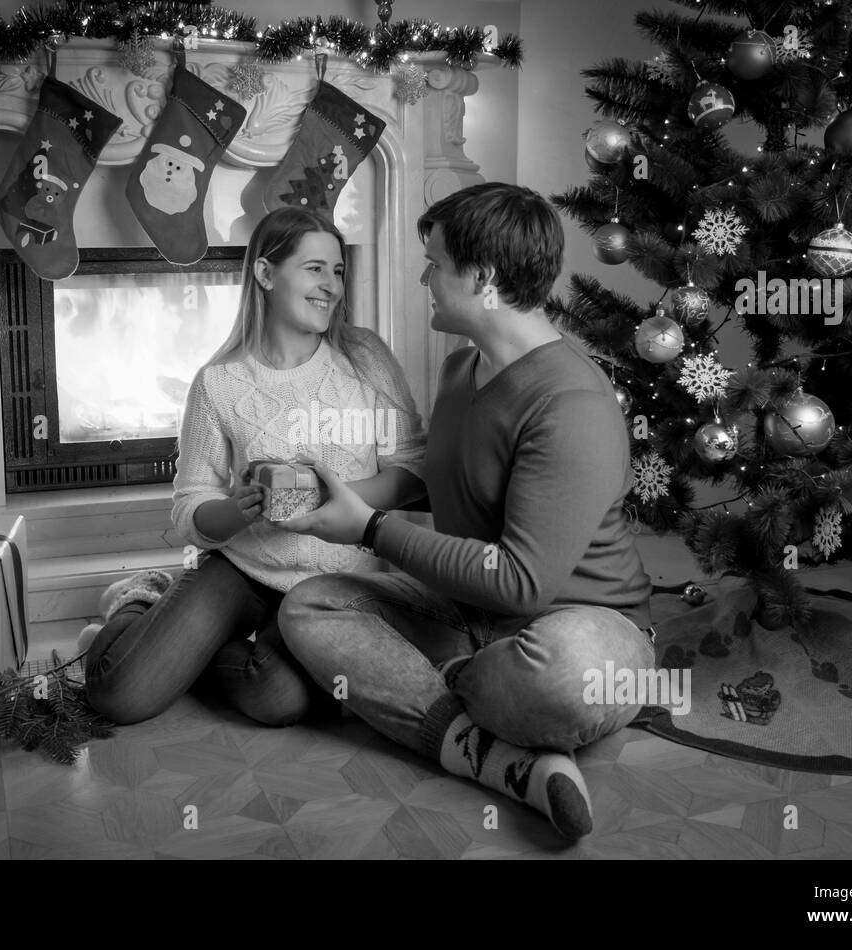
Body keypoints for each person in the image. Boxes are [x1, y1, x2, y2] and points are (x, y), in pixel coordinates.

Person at [275, 182, 655, 840]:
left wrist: (370, 530)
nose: (424, 277)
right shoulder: (461, 369)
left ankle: (439, 691)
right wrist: (339, 494)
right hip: (471, 615)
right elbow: (435, 471)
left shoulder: (572, 405)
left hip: (582, 630)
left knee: (567, 676)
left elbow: (521, 581)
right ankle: (501, 758)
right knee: (309, 605)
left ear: (481, 279)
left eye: (435, 265)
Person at [82, 206, 426, 728]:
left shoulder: (365, 359)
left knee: (277, 698)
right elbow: (189, 508)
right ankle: (139, 600)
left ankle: (184, 651)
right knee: (119, 694)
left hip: (338, 578)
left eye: (337, 271)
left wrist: (331, 497)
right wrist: (237, 512)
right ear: (265, 274)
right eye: (314, 269)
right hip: (243, 568)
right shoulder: (217, 382)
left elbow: (412, 471)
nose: (331, 286)